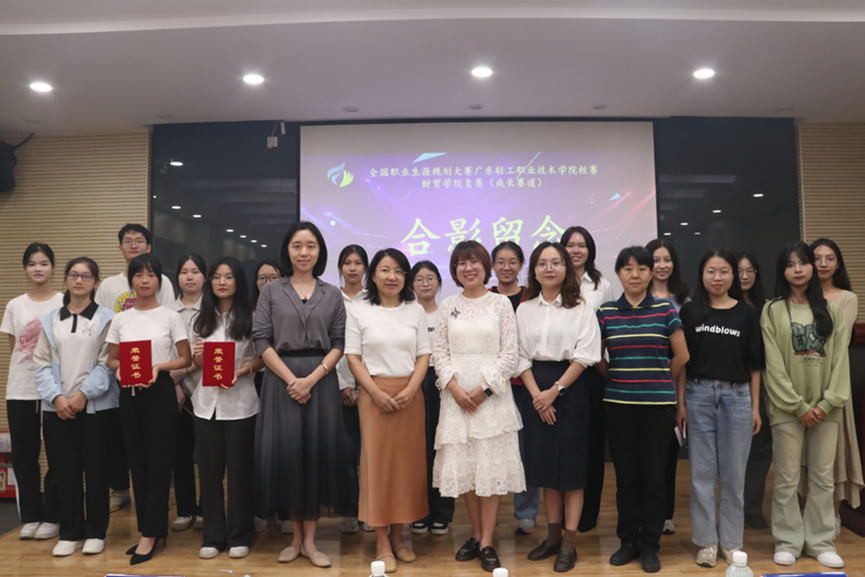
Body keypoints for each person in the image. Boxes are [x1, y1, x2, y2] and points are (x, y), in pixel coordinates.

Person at [253, 221, 350, 568]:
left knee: (316, 457)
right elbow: (261, 340)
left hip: (320, 381)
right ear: (288, 251)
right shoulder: (271, 291)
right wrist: (293, 380)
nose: (304, 252)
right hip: (282, 382)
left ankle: (311, 541)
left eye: (311, 246)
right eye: (297, 246)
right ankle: (295, 539)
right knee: (289, 457)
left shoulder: (332, 293)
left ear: (320, 251)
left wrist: (311, 379)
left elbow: (339, 342)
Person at [433, 240, 525, 573]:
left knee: (490, 468)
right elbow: (439, 353)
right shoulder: (448, 306)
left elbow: (510, 354)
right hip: (456, 400)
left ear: (486, 267)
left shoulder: (500, 304)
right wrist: (455, 388)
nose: (468, 268)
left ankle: (487, 541)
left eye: (474, 262)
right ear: (455, 270)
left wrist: (484, 389)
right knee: (469, 470)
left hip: (492, 401)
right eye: (461, 263)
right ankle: (475, 534)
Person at [598, 246, 689, 574]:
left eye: (641, 268)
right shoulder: (606, 312)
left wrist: (660, 379)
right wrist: (616, 377)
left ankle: (650, 545)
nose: (634, 274)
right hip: (618, 407)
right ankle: (628, 541)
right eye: (627, 268)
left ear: (651, 273)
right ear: (618, 274)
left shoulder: (665, 310)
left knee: (653, 478)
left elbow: (682, 356)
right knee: (626, 478)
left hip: (657, 408)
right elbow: (596, 357)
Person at [762, 241, 849, 569]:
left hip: (827, 408)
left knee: (823, 478)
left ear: (813, 268)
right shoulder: (772, 310)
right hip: (787, 408)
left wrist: (827, 403)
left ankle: (820, 541)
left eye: (803, 263)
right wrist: (798, 406)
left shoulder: (832, 310)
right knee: (786, 478)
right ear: (782, 271)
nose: (797, 269)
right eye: (790, 264)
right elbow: (773, 366)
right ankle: (787, 541)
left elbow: (840, 362)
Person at [517, 242, 601, 572]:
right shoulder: (525, 309)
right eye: (542, 263)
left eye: (556, 262)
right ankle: (552, 537)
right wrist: (539, 396)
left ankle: (569, 542)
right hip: (535, 388)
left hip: (572, 387)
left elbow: (586, 355)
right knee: (546, 469)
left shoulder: (581, 307)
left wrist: (554, 392)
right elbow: (519, 355)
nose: (549, 268)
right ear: (534, 271)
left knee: (572, 471)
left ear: (566, 268)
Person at [346, 248, 431, 573]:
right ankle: (382, 540)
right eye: (384, 270)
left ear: (405, 276)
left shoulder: (415, 310)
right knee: (378, 467)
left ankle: (399, 537)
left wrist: (410, 390)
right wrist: (375, 393)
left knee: (407, 468)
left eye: (398, 271)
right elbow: (353, 357)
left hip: (410, 396)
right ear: (373, 275)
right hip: (374, 396)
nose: (392, 276)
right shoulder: (359, 310)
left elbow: (424, 355)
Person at [677, 249, 762, 567]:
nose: (717, 277)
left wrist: (755, 407)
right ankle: (706, 542)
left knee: (734, 475)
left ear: (734, 276)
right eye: (711, 271)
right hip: (697, 395)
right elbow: (683, 362)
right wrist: (680, 403)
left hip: (737, 398)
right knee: (701, 474)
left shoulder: (747, 313)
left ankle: (731, 542)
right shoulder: (690, 312)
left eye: (724, 271)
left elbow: (755, 365)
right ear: (701, 275)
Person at [106, 254, 192, 565]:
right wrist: (118, 370)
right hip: (129, 395)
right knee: (137, 463)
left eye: (151, 274)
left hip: (159, 393)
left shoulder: (170, 316)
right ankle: (148, 528)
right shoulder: (121, 319)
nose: (145, 280)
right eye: (138, 274)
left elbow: (186, 358)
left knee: (158, 464)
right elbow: (112, 359)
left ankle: (151, 534)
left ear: (159, 280)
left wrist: (158, 367)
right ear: (131, 280)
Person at [33, 257, 116, 556]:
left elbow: (108, 363)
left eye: (86, 276)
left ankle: (96, 531)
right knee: (65, 471)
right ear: (66, 279)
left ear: (96, 282)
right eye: (74, 275)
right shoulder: (50, 320)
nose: (79, 280)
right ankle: (70, 533)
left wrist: (83, 394)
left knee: (97, 471)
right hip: (58, 409)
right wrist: (57, 398)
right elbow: (41, 363)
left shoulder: (107, 319)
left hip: (96, 408)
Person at [95, 224, 175, 514]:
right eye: (127, 241)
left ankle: (156, 510)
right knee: (122, 441)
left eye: (139, 240)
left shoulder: (164, 287)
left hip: (157, 379)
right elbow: (104, 333)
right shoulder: (109, 288)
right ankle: (121, 491)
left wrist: (167, 374)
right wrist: (114, 367)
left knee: (156, 449)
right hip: (120, 378)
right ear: (120, 248)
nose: (133, 245)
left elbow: (173, 337)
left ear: (149, 247)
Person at [191, 257, 263, 560]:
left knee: (239, 474)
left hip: (241, 405)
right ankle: (213, 536)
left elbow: (262, 357)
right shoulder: (202, 318)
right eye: (217, 277)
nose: (222, 282)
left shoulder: (253, 316)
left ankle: (239, 535)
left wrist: (242, 371)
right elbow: (197, 363)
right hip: (205, 405)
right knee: (208, 475)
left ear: (239, 281)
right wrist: (198, 355)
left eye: (229, 277)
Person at [1, 243, 64, 541]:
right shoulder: (15, 305)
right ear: (25, 269)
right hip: (21, 390)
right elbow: (15, 348)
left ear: (53, 267)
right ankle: (31, 516)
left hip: (55, 392)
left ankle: (54, 516)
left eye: (43, 263)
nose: (38, 268)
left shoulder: (64, 302)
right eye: (32, 264)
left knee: (57, 456)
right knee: (24, 457)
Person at [806, 238, 863, 537]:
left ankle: (832, 517)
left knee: (836, 453)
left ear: (838, 264)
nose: (823, 263)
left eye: (830, 258)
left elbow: (838, 342)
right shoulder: (798, 297)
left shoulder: (847, 298)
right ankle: (805, 516)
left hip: (834, 385)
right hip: (803, 386)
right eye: (817, 258)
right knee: (803, 456)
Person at [561, 226, 615, 533]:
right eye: (570, 245)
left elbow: (609, 329)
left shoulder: (601, 285)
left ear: (590, 250)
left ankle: (588, 513)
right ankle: (563, 514)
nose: (576, 250)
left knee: (593, 445)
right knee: (566, 445)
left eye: (581, 245)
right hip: (560, 371)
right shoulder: (554, 280)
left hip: (592, 372)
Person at [491, 240, 539, 536]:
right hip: (493, 387)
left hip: (525, 384)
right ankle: (490, 511)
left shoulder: (531, 297)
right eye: (500, 261)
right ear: (492, 266)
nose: (506, 267)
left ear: (521, 265)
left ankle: (526, 512)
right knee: (493, 450)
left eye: (512, 261)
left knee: (527, 449)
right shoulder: (485, 297)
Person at [646, 238, 690, 536]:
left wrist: (680, 402)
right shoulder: (637, 297)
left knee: (666, 458)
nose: (662, 266)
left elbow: (683, 358)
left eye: (667, 259)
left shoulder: (684, 302)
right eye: (655, 260)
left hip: (671, 390)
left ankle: (665, 515)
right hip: (638, 390)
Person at [409, 260, 455, 537]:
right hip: (414, 381)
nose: (425, 283)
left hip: (444, 381)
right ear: (411, 284)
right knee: (417, 449)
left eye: (430, 278)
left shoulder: (448, 312)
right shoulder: (406, 312)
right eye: (419, 279)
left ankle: (442, 513)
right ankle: (418, 511)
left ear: (438, 282)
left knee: (443, 447)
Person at [249, 259, 292, 536]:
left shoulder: (290, 307)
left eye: (273, 277)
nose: (267, 283)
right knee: (261, 452)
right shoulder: (248, 312)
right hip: (255, 383)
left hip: (285, 380)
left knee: (285, 450)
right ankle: (262, 510)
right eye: (262, 278)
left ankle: (287, 511)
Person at [169, 254, 206, 533]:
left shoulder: (213, 310)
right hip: (175, 392)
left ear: (204, 276)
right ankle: (185, 510)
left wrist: (181, 373)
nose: (189, 277)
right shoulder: (167, 311)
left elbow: (210, 353)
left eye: (195, 271)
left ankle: (206, 510)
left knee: (207, 455)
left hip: (208, 390)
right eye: (184, 271)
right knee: (180, 453)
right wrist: (174, 385)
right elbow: (164, 353)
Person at [335, 245, 369, 534]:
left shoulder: (376, 299)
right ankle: (349, 511)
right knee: (346, 454)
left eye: (358, 263)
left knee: (370, 454)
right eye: (347, 263)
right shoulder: (330, 298)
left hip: (372, 388)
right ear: (340, 268)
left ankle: (371, 511)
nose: (353, 268)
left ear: (366, 269)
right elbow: (327, 343)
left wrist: (366, 386)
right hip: (339, 386)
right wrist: (342, 384)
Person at [738, 252, 773, 530]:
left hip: (763, 386)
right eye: (739, 271)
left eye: (750, 271)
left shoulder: (768, 308)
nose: (745, 276)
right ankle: (734, 508)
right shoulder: (725, 306)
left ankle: (752, 508)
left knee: (760, 450)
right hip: (733, 385)